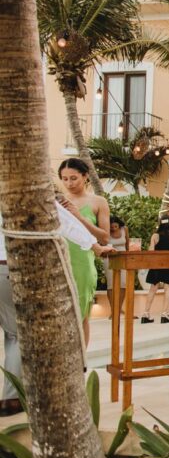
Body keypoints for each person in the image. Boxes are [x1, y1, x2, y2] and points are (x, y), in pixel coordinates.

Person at [0, 202, 109, 416]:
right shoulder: (26, 190)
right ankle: (12, 399)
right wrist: (95, 246)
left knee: (13, 333)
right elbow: (64, 220)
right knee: (18, 335)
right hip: (12, 267)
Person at [57, 158, 110, 346]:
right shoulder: (56, 202)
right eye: (65, 179)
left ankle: (81, 360)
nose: (69, 183)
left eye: (74, 178)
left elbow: (104, 237)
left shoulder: (98, 202)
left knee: (82, 315)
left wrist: (79, 217)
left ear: (85, 176)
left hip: (83, 264)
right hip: (58, 262)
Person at [141, 218, 169, 324]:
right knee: (168, 288)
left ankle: (146, 314)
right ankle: (164, 315)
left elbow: (151, 250)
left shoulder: (155, 236)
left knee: (152, 289)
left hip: (156, 264)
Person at [105, 215, 129, 296]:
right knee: (110, 284)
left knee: (123, 283)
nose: (114, 229)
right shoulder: (106, 230)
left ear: (119, 225)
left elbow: (127, 244)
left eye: (116, 226)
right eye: (111, 227)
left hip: (122, 257)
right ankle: (112, 304)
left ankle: (119, 304)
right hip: (109, 258)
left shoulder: (124, 229)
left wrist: (128, 256)